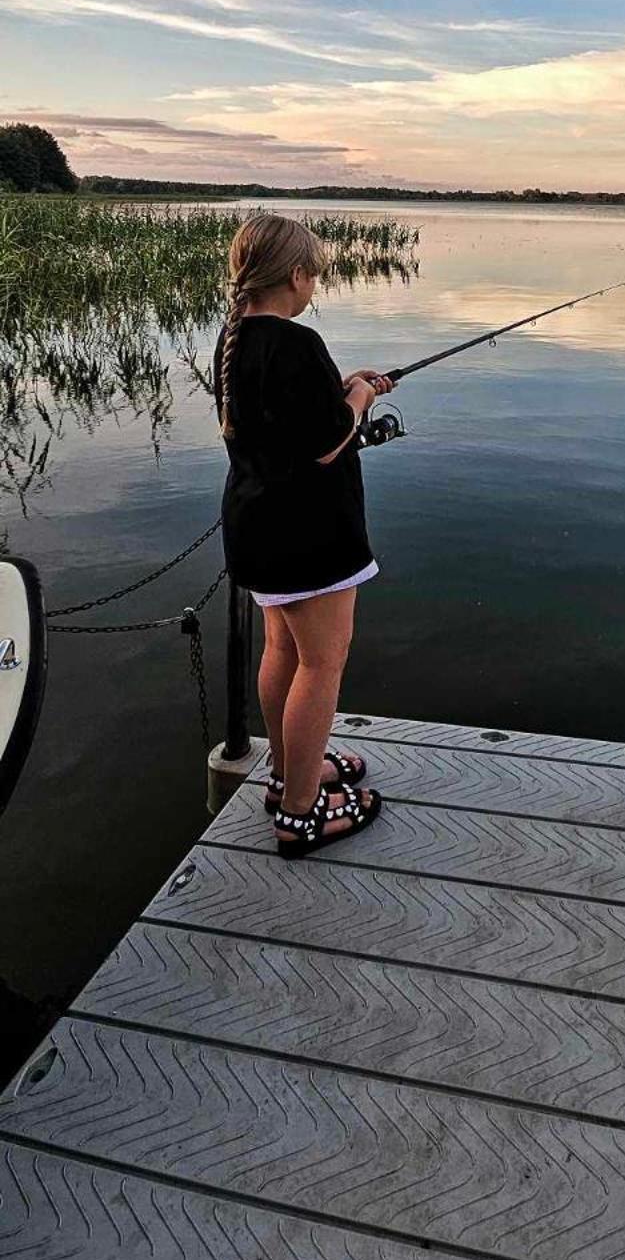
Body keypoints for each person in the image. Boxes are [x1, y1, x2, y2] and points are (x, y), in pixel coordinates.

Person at [215, 212, 392, 858]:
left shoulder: (235, 337)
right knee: (322, 664)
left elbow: (292, 425)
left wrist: (348, 392)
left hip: (255, 527)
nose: (313, 284)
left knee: (283, 655)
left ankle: (289, 773)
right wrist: (358, 400)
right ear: (297, 274)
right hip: (311, 535)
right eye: (313, 272)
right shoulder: (296, 342)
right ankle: (299, 812)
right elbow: (323, 443)